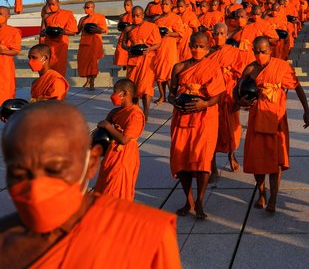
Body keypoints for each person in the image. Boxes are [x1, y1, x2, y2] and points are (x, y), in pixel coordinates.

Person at [0, 101, 181, 268]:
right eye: (19, 173)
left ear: (92, 161)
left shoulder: (147, 236)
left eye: (54, 170)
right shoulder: (4, 240)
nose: (36, 188)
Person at [239, 36, 309, 212]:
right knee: (258, 159)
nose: (259, 55)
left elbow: (298, 87)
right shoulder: (250, 70)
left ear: (270, 51)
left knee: (276, 160)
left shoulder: (282, 67)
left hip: (276, 118)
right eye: (256, 51)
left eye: (263, 51)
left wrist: (306, 110)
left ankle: (274, 197)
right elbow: (238, 93)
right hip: (257, 118)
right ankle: (261, 193)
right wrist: (243, 101)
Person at [168, 32, 225, 219]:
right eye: (194, 45)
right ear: (189, 45)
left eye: (201, 46)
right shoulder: (178, 67)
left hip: (204, 117)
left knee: (202, 159)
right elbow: (171, 93)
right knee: (181, 159)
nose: (196, 49)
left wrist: (205, 104)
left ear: (208, 48)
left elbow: (218, 94)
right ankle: (189, 199)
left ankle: (200, 201)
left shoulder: (212, 67)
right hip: (182, 117)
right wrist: (174, 101)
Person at [208, 23, 251, 179]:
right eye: (215, 33)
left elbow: (242, 76)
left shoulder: (234, 53)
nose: (218, 36)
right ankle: (212, 167)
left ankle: (231, 155)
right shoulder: (207, 54)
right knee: (212, 131)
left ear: (227, 36)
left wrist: (238, 99)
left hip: (229, 96)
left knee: (232, 130)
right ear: (212, 36)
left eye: (221, 33)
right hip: (212, 98)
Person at [94, 79, 145, 201]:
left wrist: (108, 126)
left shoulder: (135, 114)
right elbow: (105, 131)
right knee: (105, 184)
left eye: (115, 91)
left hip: (125, 155)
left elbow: (124, 139)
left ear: (125, 93)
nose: (113, 95)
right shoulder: (115, 112)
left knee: (116, 189)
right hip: (111, 154)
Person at [123, 6, 161, 120]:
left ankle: (146, 112)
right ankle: (136, 110)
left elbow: (158, 43)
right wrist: (129, 48)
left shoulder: (151, 26)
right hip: (134, 60)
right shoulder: (129, 29)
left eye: (138, 16)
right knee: (133, 87)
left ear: (143, 16)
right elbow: (123, 44)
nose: (135, 18)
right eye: (133, 16)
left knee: (146, 88)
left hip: (147, 59)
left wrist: (149, 49)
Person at [153, 0, 183, 103]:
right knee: (159, 73)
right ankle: (162, 96)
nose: (164, 6)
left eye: (166, 4)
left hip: (170, 49)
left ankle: (172, 95)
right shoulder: (157, 20)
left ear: (171, 6)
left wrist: (170, 33)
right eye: (163, 4)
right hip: (159, 49)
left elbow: (180, 33)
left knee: (170, 74)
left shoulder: (176, 18)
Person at [39, 0, 78, 77]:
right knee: (46, 69)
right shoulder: (46, 15)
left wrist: (61, 31)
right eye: (49, 4)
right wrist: (44, 18)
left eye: (53, 4)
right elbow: (42, 33)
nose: (51, 6)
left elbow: (73, 32)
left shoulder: (67, 14)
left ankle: (58, 86)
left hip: (60, 46)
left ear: (58, 3)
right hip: (48, 45)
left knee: (58, 68)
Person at [76, 1, 108, 90]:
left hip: (95, 43)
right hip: (84, 43)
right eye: (85, 7)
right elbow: (77, 31)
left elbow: (103, 30)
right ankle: (88, 79)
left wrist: (96, 29)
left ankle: (91, 82)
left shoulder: (99, 17)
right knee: (84, 63)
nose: (86, 9)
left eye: (87, 7)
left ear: (93, 8)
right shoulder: (82, 19)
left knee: (93, 63)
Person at [0, 6, 21, 105]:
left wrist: (2, 51)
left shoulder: (13, 32)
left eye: (0, 14)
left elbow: (16, 50)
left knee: (5, 90)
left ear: (8, 16)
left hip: (5, 67)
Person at [113, 0, 133, 69]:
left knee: (129, 50)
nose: (126, 7)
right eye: (125, 5)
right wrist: (122, 26)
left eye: (128, 5)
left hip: (132, 35)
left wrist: (130, 25)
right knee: (120, 49)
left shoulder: (134, 14)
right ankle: (124, 63)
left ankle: (127, 64)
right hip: (123, 35)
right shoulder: (122, 16)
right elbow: (118, 28)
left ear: (131, 5)